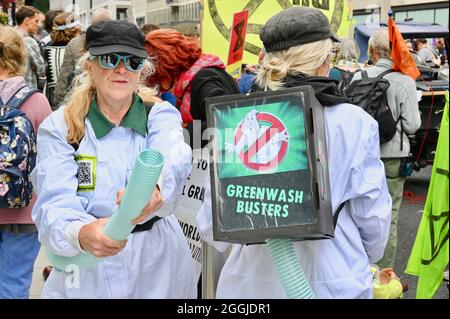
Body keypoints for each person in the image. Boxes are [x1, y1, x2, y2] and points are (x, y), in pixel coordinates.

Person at [197, 6, 392, 298]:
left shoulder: (236, 118)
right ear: (324, 59)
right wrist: (362, 254)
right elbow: (373, 217)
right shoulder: (354, 123)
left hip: (250, 286)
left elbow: (213, 225)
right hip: (333, 277)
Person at [31, 20, 196, 298]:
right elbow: (54, 200)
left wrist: (155, 189)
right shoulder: (61, 127)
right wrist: (81, 233)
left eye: (132, 61)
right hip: (85, 268)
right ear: (89, 66)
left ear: (142, 70)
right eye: (110, 59)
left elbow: (171, 155)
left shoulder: (159, 115)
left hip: (156, 263)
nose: (121, 69)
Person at [353, 29, 421, 269]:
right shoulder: (405, 81)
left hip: (361, 155)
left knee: (357, 214)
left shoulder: (357, 77)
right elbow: (413, 126)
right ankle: (384, 276)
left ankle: (360, 271)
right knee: (389, 216)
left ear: (371, 50)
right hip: (393, 157)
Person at [0, 25, 52, 299]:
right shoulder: (36, 101)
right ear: (21, 56)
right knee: (14, 284)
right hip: (24, 209)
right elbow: (51, 161)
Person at [144, 28, 240, 148]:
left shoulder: (203, 79)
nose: (161, 87)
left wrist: (180, 135)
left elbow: (225, 120)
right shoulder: (197, 77)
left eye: (158, 77)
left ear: (166, 66)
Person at [53, 8, 113, 107]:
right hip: (107, 100)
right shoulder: (118, 43)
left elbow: (64, 77)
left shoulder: (75, 43)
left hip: (81, 99)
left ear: (91, 23)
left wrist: (59, 104)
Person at [43, 12, 82, 109]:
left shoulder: (47, 48)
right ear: (75, 29)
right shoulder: (77, 50)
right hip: (73, 100)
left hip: (51, 100)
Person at [15, 5, 45, 90]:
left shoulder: (10, 37)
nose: (38, 25)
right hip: (27, 88)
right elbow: (40, 68)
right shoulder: (29, 41)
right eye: (36, 21)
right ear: (27, 21)